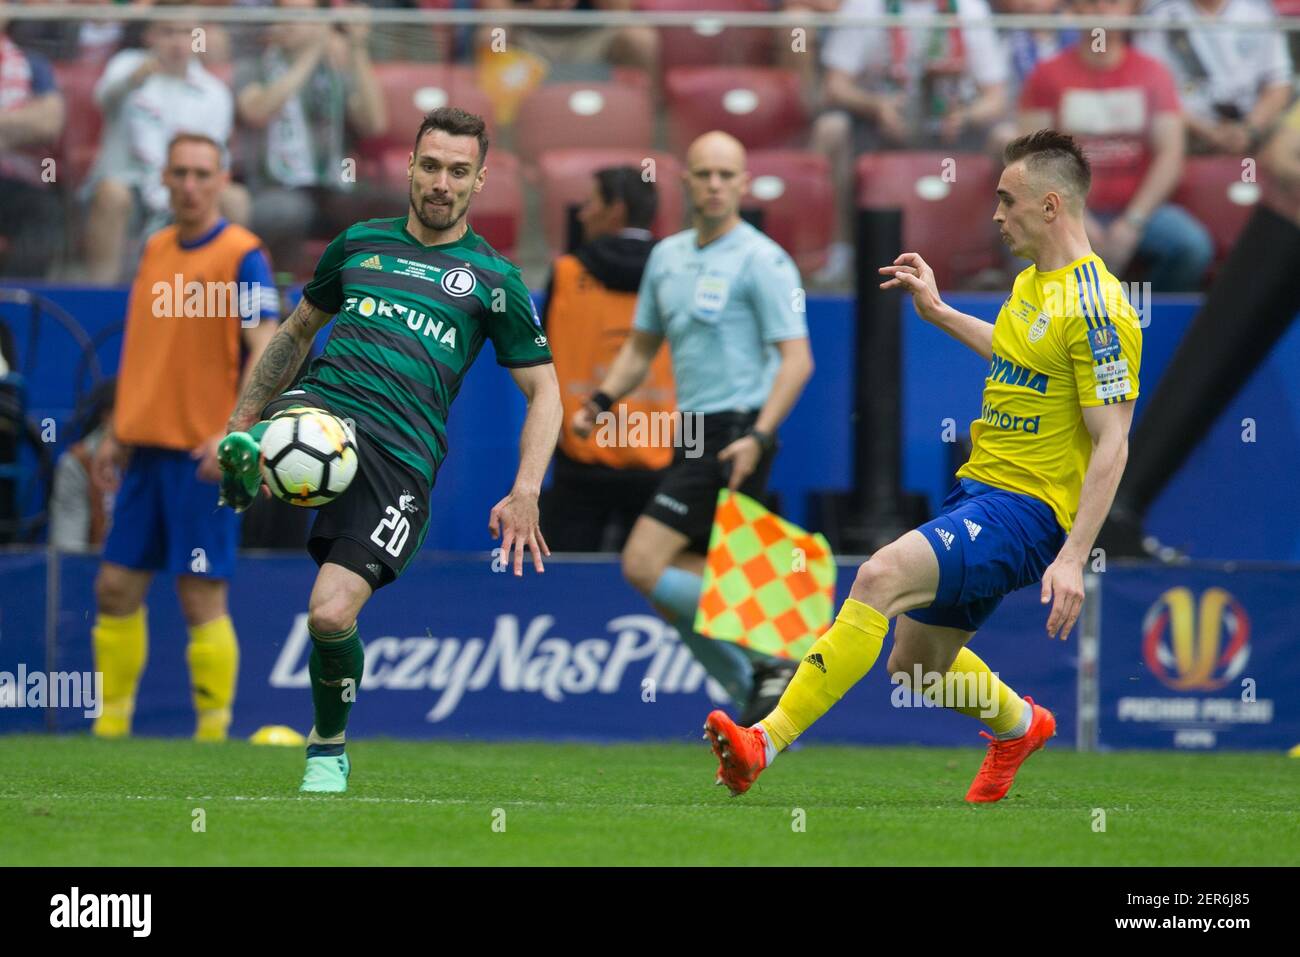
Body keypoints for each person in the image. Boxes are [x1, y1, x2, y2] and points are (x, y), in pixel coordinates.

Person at [704, 130, 1142, 803]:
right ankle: (1020, 725)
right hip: (979, 494)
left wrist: (1074, 556)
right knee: (916, 664)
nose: (996, 215)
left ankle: (763, 741)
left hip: (1027, 511)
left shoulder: (1101, 308)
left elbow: (1112, 441)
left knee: (878, 574)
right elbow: (1021, 351)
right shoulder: (1034, 284)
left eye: (1008, 200)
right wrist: (939, 311)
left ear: (1051, 206)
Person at [217, 107, 562, 793]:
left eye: (458, 171)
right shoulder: (357, 246)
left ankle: (328, 747)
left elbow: (546, 392)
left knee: (329, 614)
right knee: (291, 432)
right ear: (409, 166)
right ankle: (251, 458)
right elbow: (294, 333)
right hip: (323, 411)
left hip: (399, 463)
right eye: (430, 165)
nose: (441, 182)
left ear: (479, 180)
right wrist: (242, 418)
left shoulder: (493, 281)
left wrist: (526, 488)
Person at [572, 131, 815, 727]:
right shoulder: (668, 257)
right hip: (691, 431)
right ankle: (757, 699)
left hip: (737, 433)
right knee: (668, 583)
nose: (713, 185)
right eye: (703, 174)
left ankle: (775, 650)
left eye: (725, 175)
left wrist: (758, 436)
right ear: (685, 182)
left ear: (743, 183)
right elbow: (641, 347)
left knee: (642, 564)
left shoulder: (763, 259)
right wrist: (602, 398)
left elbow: (797, 360)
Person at [90, 132, 280, 741]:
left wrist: (236, 430)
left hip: (205, 457)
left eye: (203, 173)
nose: (192, 185)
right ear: (164, 181)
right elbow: (145, 349)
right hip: (144, 449)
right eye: (181, 173)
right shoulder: (153, 249)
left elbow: (268, 347)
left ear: (223, 180)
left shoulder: (244, 254)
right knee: (114, 586)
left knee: (201, 593)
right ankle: (110, 728)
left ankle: (212, 734)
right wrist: (118, 429)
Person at [1018, 0, 1213, 291]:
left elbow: (1170, 155)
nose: (1100, 12)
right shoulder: (1047, 75)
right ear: (1076, 11)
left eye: (1112, 3)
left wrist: (1133, 221)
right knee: (1024, 256)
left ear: (1132, 10)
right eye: (1090, 3)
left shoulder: (1154, 73)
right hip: (1064, 209)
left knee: (1192, 247)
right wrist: (1075, 218)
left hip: (1139, 209)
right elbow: (1033, 158)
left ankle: (1137, 319)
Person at [542, 166, 674, 552]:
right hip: (662, 458)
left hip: (580, 456)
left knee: (564, 589)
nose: (582, 213)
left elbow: (541, 361)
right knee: (654, 586)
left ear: (615, 209)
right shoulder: (678, 273)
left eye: (590, 203)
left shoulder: (565, 273)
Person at [84, 0, 245, 282]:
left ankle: (222, 291)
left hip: (188, 185)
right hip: (131, 186)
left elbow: (216, 158)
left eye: (186, 32)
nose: (177, 42)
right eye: (168, 32)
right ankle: (100, 293)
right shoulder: (127, 66)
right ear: (150, 35)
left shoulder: (214, 91)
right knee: (111, 193)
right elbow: (103, 99)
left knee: (235, 197)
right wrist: (132, 81)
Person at [235, 0, 391, 274]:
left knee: (394, 208)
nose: (290, 23)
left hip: (331, 188)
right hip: (274, 189)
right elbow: (257, 111)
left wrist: (356, 48)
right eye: (286, 15)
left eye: (300, 16)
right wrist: (311, 53)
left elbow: (374, 123)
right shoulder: (254, 67)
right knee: (290, 211)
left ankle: (380, 295)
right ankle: (279, 294)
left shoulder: (334, 71)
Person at [1136, 0, 1293, 157]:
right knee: (1163, 134)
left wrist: (1249, 129)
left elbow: (1279, 85)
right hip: (1188, 131)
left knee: (1288, 145)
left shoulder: (1259, 9)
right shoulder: (1159, 13)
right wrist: (1210, 132)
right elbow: (1153, 94)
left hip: (1253, 127)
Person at [0, 14, 66, 278]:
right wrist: (18, 125)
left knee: (43, 211)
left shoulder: (32, 63)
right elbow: (33, 123)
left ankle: (17, 309)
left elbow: (48, 124)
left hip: (17, 180)